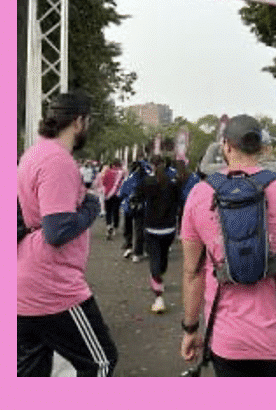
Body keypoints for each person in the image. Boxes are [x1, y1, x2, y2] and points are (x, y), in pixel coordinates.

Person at [179, 115, 276, 376]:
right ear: (262, 147)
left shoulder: (200, 194)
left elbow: (192, 272)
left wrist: (191, 329)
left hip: (226, 338)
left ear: (226, 146)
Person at [17, 91, 118, 376]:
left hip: (25, 282)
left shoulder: (34, 153)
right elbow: (57, 230)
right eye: (88, 122)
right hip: (53, 286)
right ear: (79, 122)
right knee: (101, 362)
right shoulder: (57, 161)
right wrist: (90, 206)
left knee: (31, 372)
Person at [136, 155, 182, 314]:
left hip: (151, 227)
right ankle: (159, 278)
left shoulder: (147, 182)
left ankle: (158, 296)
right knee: (163, 258)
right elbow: (179, 203)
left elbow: (137, 198)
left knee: (154, 258)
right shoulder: (173, 183)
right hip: (169, 228)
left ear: (152, 165)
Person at [97, 159, 124, 240]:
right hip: (118, 194)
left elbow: (103, 183)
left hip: (108, 194)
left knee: (108, 211)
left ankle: (109, 225)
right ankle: (115, 226)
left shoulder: (107, 173)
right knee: (116, 211)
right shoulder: (122, 174)